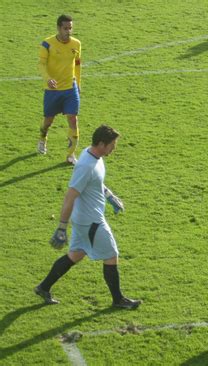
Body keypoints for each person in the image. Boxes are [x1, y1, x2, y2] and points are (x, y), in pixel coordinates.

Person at [34, 125, 141, 309]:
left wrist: (110, 196)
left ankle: (43, 287)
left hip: (85, 219)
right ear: (101, 144)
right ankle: (118, 300)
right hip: (91, 222)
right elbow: (70, 197)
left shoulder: (92, 155)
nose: (114, 148)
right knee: (111, 255)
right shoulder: (85, 166)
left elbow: (96, 182)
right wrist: (61, 227)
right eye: (112, 145)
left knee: (75, 254)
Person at [38, 14, 82, 165]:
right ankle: (43, 138)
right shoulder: (47, 44)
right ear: (58, 28)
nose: (68, 31)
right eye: (65, 28)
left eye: (70, 28)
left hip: (70, 88)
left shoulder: (76, 44)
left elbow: (77, 65)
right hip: (52, 90)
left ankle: (70, 155)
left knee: (73, 120)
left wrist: (79, 84)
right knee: (48, 122)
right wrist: (47, 79)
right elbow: (41, 64)